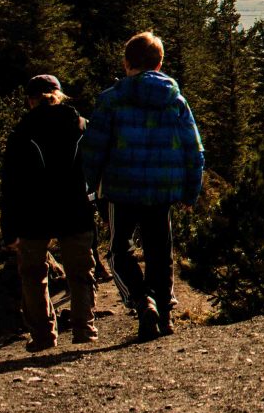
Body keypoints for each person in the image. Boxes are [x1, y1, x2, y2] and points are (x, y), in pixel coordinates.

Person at [82, 32, 204, 341]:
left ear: (126, 63)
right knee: (159, 250)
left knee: (118, 251)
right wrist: (191, 189)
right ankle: (163, 314)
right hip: (161, 189)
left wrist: (90, 186)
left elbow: (94, 148)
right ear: (160, 63)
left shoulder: (110, 100)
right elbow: (194, 148)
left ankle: (141, 299)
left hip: (120, 188)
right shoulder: (174, 99)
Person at [1, 74, 97, 351]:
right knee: (80, 272)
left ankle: (43, 336)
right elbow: (96, 169)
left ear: (30, 100)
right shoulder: (81, 126)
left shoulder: (21, 132)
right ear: (60, 94)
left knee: (33, 275)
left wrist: (9, 228)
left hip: (33, 213)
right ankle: (84, 330)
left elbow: (11, 185)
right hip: (75, 208)